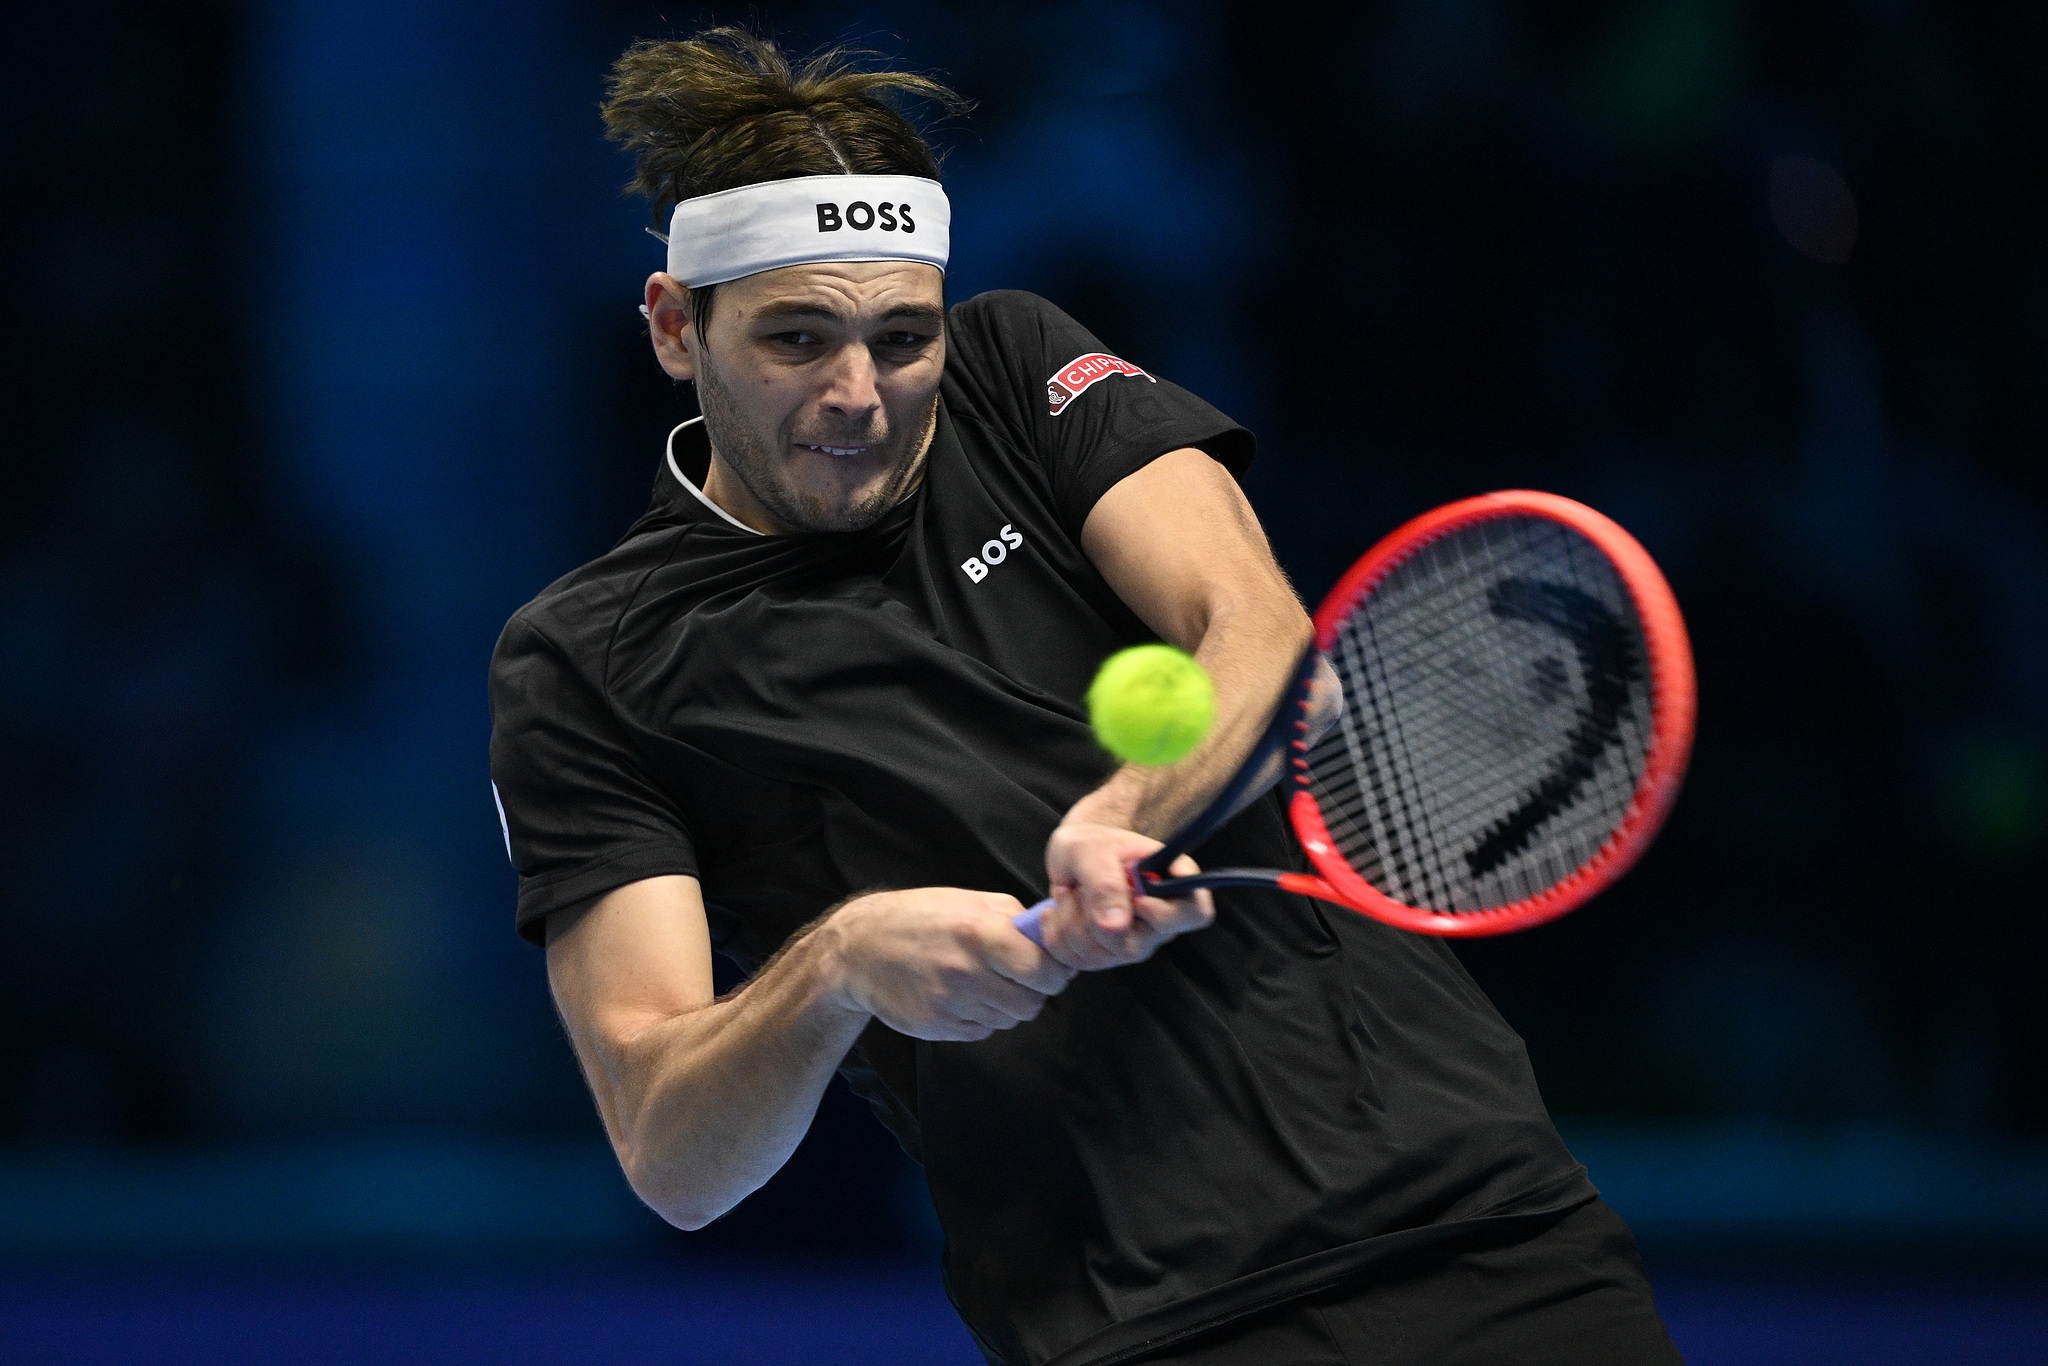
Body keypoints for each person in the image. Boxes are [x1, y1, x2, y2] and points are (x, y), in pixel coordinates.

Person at [489, 28, 1683, 1366]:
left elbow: (1257, 625)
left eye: (899, 337)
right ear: (672, 325)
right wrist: (837, 967)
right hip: (1134, 1325)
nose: (858, 396)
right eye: (796, 339)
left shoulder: (1013, 375)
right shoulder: (584, 664)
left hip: (1484, 1226)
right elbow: (670, 1148)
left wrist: (1128, 808)